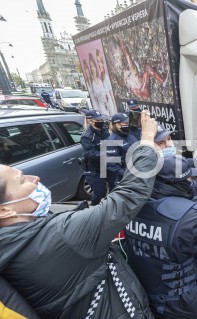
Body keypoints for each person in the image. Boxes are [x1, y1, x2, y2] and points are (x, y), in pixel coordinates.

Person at [0, 111, 160, 318]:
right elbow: (129, 196)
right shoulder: (63, 235)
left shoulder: (13, 243)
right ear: (5, 210)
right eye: (22, 180)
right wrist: (146, 140)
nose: (35, 178)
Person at [124, 155, 197, 319]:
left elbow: (176, 203)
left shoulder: (131, 203)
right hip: (180, 301)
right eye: (189, 178)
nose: (191, 180)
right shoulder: (189, 218)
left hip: (142, 289)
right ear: (180, 182)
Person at [81, 110, 111, 205]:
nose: (101, 121)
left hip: (107, 164)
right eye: (98, 120)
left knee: (115, 187)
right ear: (90, 121)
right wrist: (107, 153)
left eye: (101, 119)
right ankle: (94, 207)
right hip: (95, 167)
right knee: (99, 192)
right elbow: (90, 153)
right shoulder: (87, 136)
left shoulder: (105, 131)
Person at [106, 113, 138, 185]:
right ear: (117, 125)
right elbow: (113, 165)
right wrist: (128, 176)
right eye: (126, 123)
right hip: (125, 179)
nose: (129, 124)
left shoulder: (131, 136)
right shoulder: (111, 141)